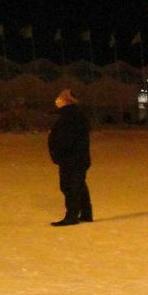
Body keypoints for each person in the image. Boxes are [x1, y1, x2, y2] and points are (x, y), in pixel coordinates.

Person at [47, 88, 94, 226]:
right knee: (79, 185)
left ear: (65, 101)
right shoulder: (75, 115)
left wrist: (56, 146)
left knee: (69, 186)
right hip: (78, 158)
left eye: (58, 98)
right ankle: (86, 213)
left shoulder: (69, 117)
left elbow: (66, 139)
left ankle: (72, 216)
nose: (56, 100)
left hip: (71, 158)